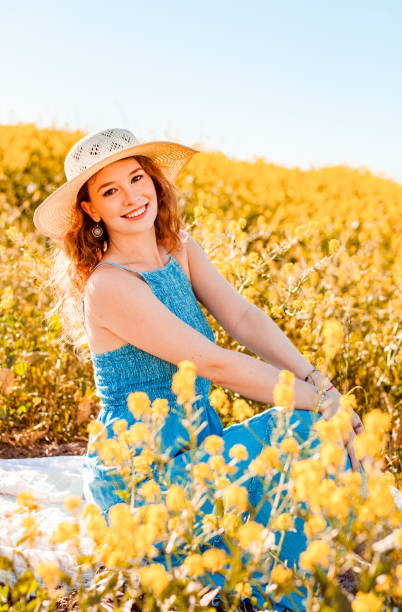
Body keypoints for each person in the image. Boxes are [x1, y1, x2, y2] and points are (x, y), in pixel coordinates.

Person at [33, 127, 364, 612]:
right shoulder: (109, 285)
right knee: (306, 430)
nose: (131, 197)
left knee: (317, 434)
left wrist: (323, 385)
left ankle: (281, 592)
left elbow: (244, 319)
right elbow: (213, 363)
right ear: (91, 210)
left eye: (137, 178)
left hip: (196, 441)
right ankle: (279, 599)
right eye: (110, 191)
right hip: (144, 472)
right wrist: (322, 405)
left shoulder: (179, 249)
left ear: (153, 181)